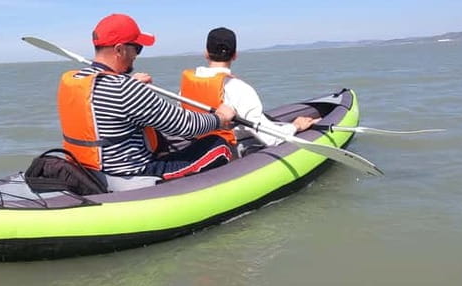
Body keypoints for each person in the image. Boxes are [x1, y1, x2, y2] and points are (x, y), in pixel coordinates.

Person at [57, 13, 236, 179]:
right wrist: (220, 118)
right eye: (137, 48)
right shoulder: (126, 89)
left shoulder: (77, 80)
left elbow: (110, 100)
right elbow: (187, 126)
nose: (136, 55)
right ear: (119, 50)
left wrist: (130, 82)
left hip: (92, 171)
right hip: (134, 174)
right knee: (218, 144)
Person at [179, 27, 318, 154]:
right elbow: (271, 139)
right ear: (235, 55)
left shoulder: (187, 85)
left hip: (197, 145)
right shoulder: (239, 88)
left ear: (206, 53)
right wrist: (295, 126)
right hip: (222, 153)